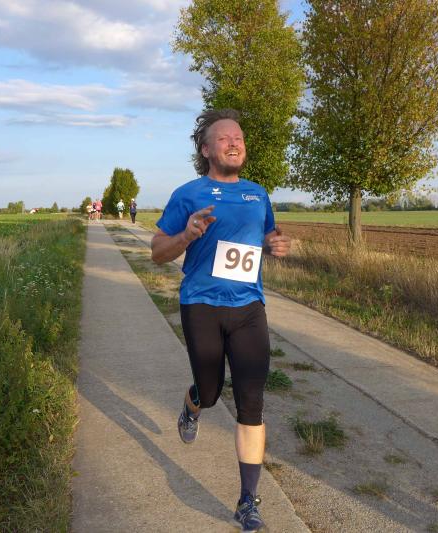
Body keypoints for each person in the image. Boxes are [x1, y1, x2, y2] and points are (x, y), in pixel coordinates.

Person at [150, 109, 290, 532]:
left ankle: (248, 501)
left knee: (251, 403)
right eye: (225, 137)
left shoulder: (258, 195)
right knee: (211, 393)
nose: (234, 142)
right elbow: (157, 252)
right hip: (202, 306)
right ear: (206, 149)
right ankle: (193, 403)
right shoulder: (188, 194)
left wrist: (273, 245)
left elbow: (264, 238)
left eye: (239, 137)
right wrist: (186, 235)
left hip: (248, 308)